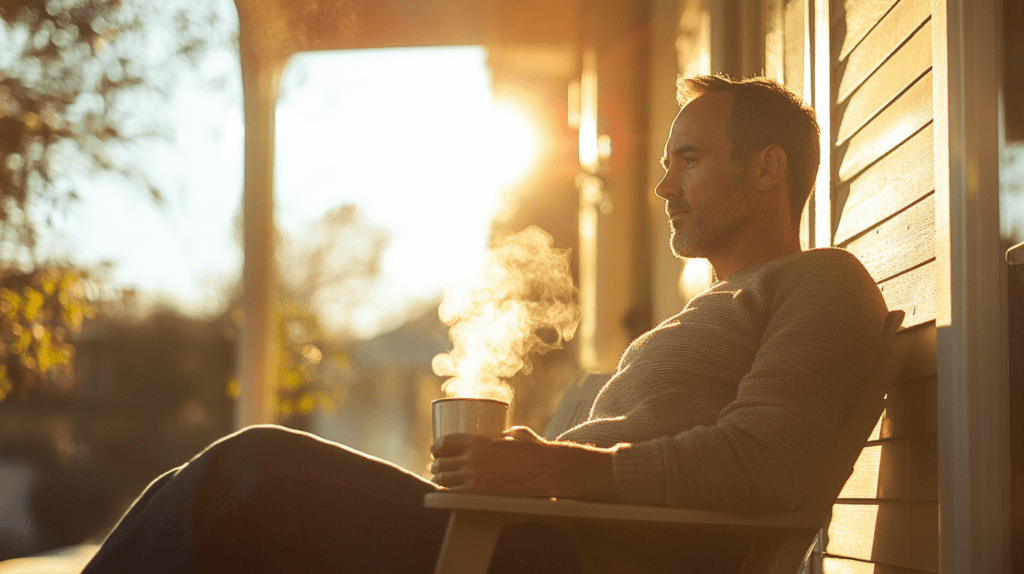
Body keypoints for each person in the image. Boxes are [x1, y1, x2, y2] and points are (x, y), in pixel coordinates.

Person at [80, 75, 888, 573]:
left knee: (247, 476)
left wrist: (563, 470)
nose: (662, 183)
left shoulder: (822, 284)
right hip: (527, 540)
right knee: (200, 504)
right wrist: (518, 467)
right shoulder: (704, 311)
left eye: (690, 159)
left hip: (563, 563)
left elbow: (767, 462)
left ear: (766, 168)